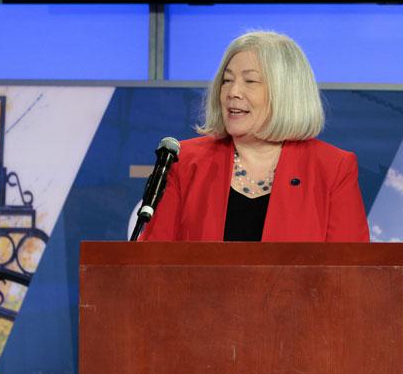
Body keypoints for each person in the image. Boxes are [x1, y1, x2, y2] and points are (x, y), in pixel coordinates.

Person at [139, 30, 370, 242]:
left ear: (286, 93)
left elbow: (352, 272)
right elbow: (153, 262)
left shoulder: (333, 168)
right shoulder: (184, 161)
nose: (233, 92)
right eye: (227, 80)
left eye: (250, 81)